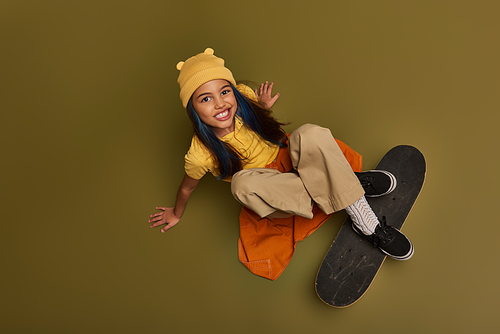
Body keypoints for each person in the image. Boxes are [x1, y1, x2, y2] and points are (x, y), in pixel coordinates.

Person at [148, 48, 413, 266]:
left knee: (308, 133)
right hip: (275, 188)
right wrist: (176, 212)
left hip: (289, 158)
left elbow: (260, 120)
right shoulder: (199, 154)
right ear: (192, 110)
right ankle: (344, 185)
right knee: (241, 185)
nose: (220, 104)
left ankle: (363, 219)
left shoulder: (244, 98)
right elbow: (186, 187)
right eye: (205, 99)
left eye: (224, 92)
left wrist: (261, 107)